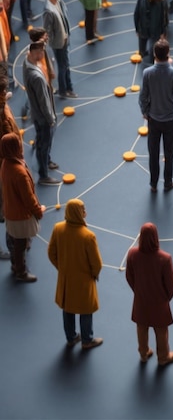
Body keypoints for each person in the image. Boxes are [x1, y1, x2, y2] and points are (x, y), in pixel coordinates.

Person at [48, 198, 103, 349]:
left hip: (66, 279)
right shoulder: (88, 236)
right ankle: (87, 340)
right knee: (86, 310)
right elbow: (96, 263)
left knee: (68, 308)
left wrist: (62, 268)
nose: (85, 211)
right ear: (80, 213)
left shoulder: (58, 229)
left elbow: (51, 253)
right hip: (84, 280)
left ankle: (71, 337)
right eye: (83, 209)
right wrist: (94, 274)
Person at [126, 222, 173, 365]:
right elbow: (171, 284)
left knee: (141, 327)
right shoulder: (165, 258)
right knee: (161, 330)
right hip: (159, 302)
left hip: (140, 300)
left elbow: (129, 276)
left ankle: (143, 353)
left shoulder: (132, 254)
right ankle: (163, 357)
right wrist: (166, 299)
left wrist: (138, 291)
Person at [139, 38, 173, 192]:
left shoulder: (147, 73)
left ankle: (153, 184)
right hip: (170, 119)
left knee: (153, 153)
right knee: (169, 153)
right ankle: (167, 182)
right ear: (168, 54)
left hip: (153, 118)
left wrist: (145, 113)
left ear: (154, 54)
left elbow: (142, 97)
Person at [0, 132, 45, 282]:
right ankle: (20, 271)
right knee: (20, 244)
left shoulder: (5, 163)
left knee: (14, 241)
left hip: (10, 211)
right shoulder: (19, 173)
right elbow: (28, 199)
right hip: (20, 215)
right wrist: (39, 211)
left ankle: (15, 264)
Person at [22, 41, 59, 185]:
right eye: (41, 52)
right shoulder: (36, 77)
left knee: (41, 142)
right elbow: (44, 101)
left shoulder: (27, 63)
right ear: (35, 52)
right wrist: (51, 119)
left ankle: (46, 163)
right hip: (43, 117)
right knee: (44, 144)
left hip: (36, 114)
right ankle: (44, 175)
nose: (43, 55)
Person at [43, 0, 77, 99]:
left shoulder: (58, 1)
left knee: (65, 64)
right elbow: (47, 30)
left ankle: (68, 87)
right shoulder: (48, 10)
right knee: (63, 66)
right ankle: (65, 90)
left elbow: (64, 16)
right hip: (59, 43)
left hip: (65, 39)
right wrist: (56, 39)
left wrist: (65, 34)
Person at [0, 76, 21, 260]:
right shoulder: (3, 119)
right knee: (7, 208)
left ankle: (13, 245)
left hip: (6, 163)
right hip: (5, 165)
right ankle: (12, 248)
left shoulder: (3, 109)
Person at [134, 0, 169, 64]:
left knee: (142, 49)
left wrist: (137, 28)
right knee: (154, 50)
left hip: (143, 28)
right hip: (156, 30)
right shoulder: (162, 1)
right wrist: (164, 32)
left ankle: (142, 54)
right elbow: (165, 18)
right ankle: (152, 64)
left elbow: (136, 14)